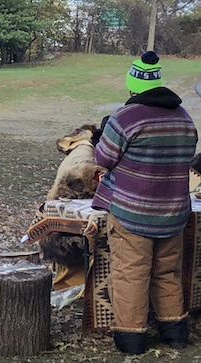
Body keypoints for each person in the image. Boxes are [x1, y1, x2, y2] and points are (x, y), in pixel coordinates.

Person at [92, 51, 198, 354]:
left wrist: (101, 136)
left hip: (132, 214)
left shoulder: (125, 117)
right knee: (168, 272)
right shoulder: (184, 118)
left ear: (132, 87)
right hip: (174, 213)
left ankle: (132, 339)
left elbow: (103, 159)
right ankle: (175, 332)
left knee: (130, 273)